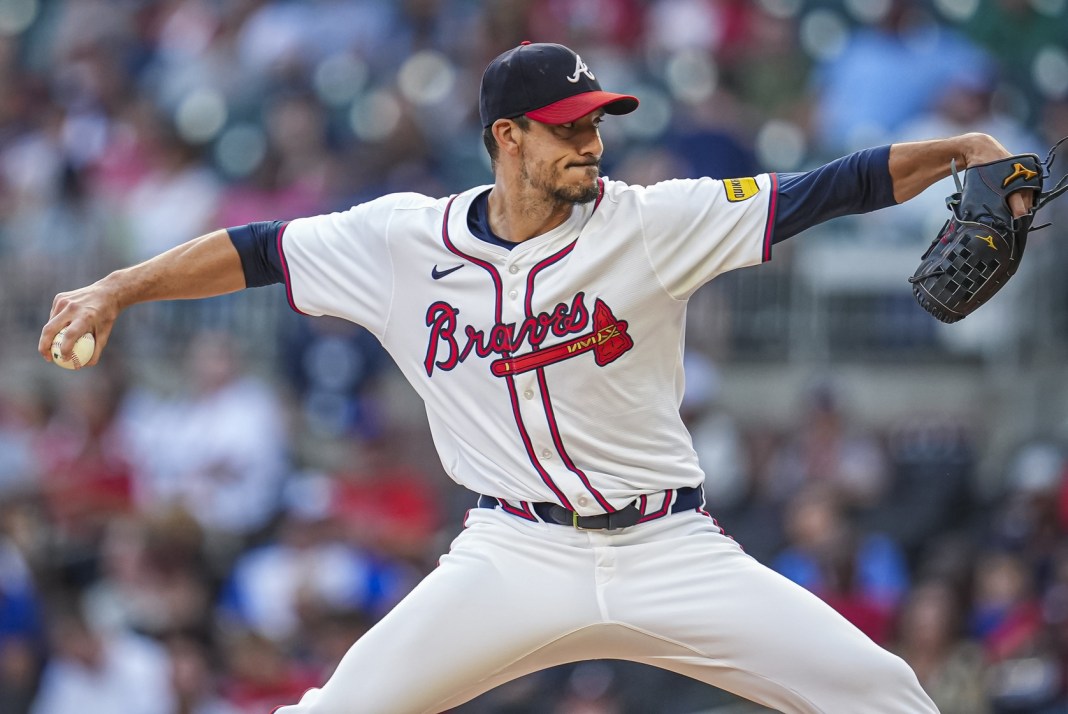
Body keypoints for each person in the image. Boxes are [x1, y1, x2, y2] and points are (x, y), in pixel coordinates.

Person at [39, 41, 1034, 713]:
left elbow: (832, 188)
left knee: (888, 695)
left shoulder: (653, 221)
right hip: (511, 553)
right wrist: (117, 290)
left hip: (670, 546)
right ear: (507, 137)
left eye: (596, 124)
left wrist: (959, 150)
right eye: (568, 127)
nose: (591, 144)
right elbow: (256, 249)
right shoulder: (400, 239)